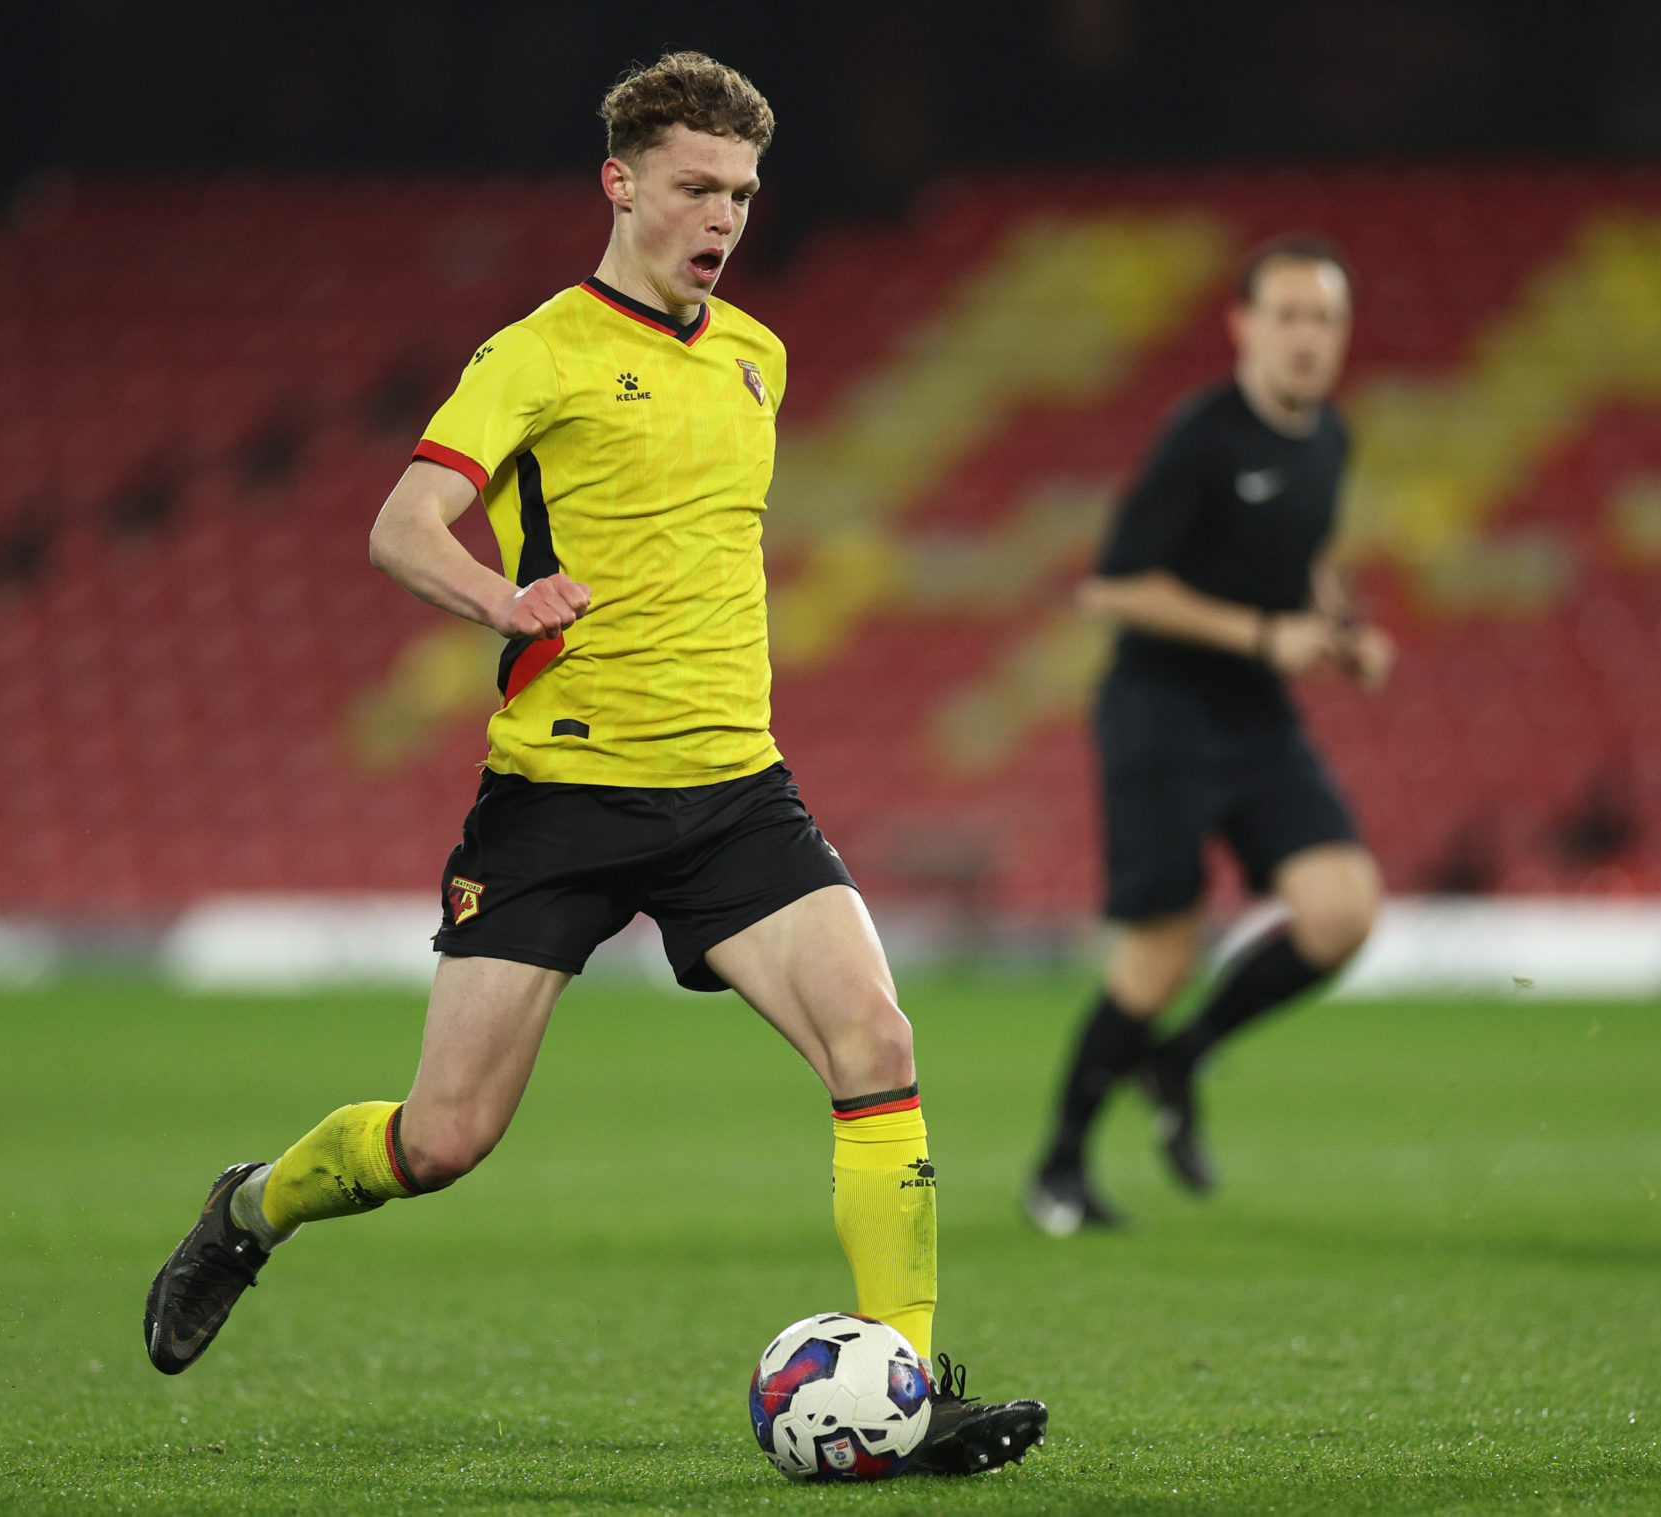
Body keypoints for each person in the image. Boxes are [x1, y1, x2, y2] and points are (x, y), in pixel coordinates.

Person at [143, 51, 1045, 1476]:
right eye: (697, 186)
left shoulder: (760, 354)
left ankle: (913, 1386)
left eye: (743, 192)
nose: (724, 217)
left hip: (735, 792)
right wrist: (500, 601)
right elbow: (402, 522)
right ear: (620, 183)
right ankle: (251, 1210)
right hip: (560, 799)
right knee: (442, 1139)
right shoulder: (537, 354)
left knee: (877, 1044)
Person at [1025, 235, 1393, 1236]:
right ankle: (1057, 1165)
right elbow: (1115, 583)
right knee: (1160, 952)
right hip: (1161, 708)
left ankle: (1183, 1056)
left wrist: (1342, 627)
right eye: (1287, 315)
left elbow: (1303, 554)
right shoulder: (1202, 435)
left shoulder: (1331, 439)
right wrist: (1265, 633)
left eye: (1325, 318)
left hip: (1256, 714)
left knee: (1343, 910)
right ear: (1243, 325)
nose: (1307, 337)